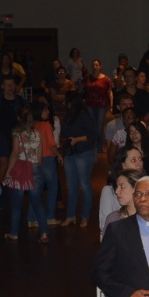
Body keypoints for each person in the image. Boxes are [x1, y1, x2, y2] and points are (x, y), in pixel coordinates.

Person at [1, 106, 47, 243]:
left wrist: (7, 172)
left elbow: (15, 153)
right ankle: (44, 233)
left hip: (20, 170)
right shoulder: (37, 133)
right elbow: (40, 157)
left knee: (16, 205)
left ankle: (14, 233)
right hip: (35, 169)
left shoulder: (17, 133)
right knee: (37, 203)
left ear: (19, 118)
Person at [61, 92, 99, 227]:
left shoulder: (83, 115)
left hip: (83, 153)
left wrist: (76, 140)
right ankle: (71, 215)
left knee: (84, 185)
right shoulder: (67, 116)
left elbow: (93, 134)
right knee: (71, 187)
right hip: (70, 153)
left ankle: (85, 216)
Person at [98, 145, 145, 237]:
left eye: (140, 159)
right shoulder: (110, 192)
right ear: (123, 165)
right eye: (133, 160)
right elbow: (105, 226)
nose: (139, 163)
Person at [84, 60, 113, 153]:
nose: (95, 67)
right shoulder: (88, 78)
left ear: (101, 66)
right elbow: (83, 89)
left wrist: (111, 105)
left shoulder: (106, 79)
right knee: (92, 125)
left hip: (101, 104)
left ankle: (100, 145)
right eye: (93, 65)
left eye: (97, 65)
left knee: (99, 126)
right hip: (90, 104)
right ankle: (92, 145)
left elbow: (110, 92)